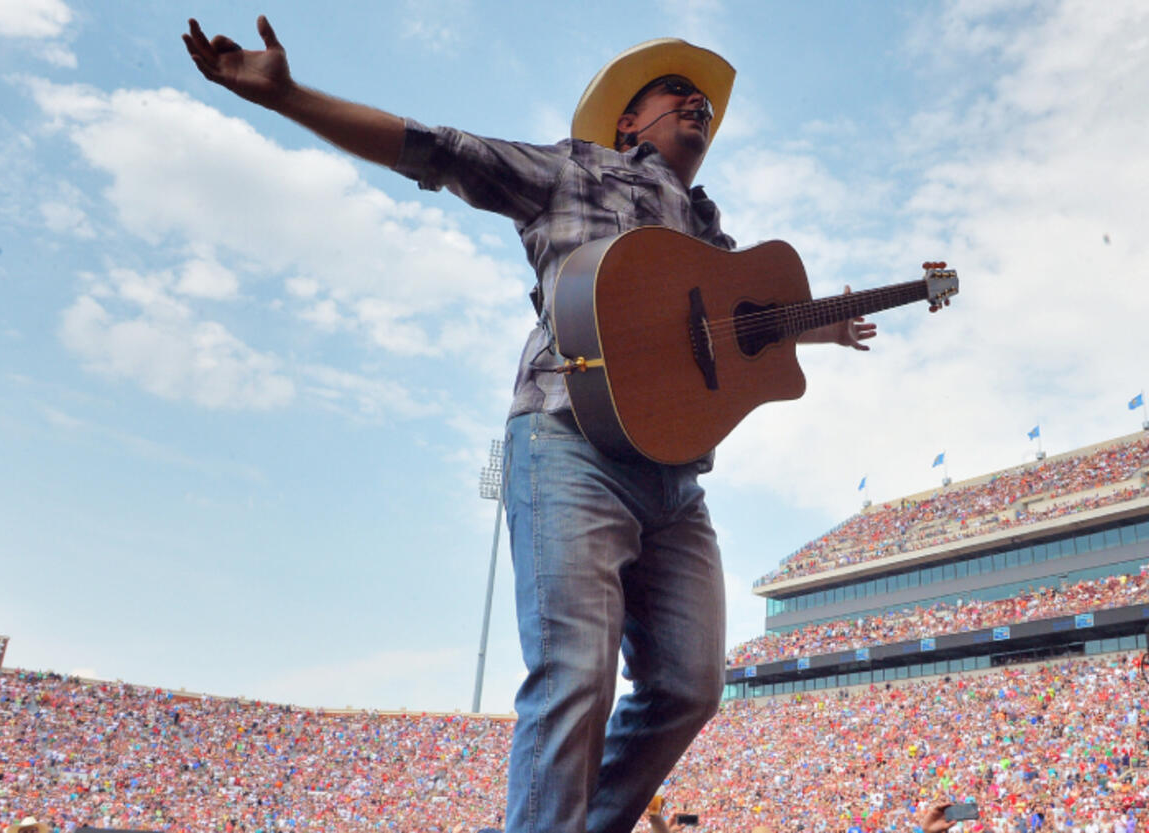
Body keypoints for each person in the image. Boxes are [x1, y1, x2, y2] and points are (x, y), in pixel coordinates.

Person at [182, 17, 875, 833]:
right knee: (575, 670)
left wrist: (814, 323)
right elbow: (437, 150)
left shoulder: (709, 233)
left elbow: (739, 326)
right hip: (569, 442)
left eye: (706, 103)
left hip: (675, 479)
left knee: (690, 684)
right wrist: (289, 97)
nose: (696, 102)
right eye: (674, 92)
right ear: (628, 122)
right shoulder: (573, 171)